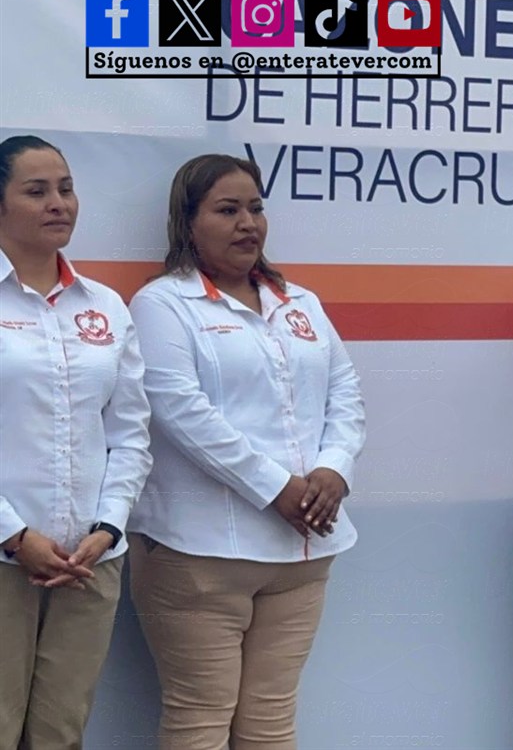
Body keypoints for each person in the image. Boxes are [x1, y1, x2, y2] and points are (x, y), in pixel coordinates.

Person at [127, 153, 365, 750]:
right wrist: (277, 487)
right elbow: (180, 411)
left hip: (301, 556)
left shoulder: (299, 302)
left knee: (270, 724)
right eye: (227, 210)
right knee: (199, 722)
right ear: (188, 222)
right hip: (200, 555)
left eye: (255, 208)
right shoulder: (162, 304)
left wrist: (334, 468)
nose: (247, 224)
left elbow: (345, 390)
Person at [0, 134, 152, 750]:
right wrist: (15, 535)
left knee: (61, 734)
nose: (58, 203)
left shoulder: (105, 306)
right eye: (36, 191)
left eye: (65, 189)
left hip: (88, 563)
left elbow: (130, 432)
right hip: (4, 559)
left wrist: (108, 527)